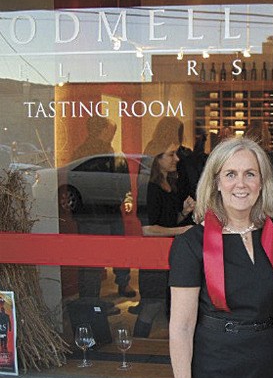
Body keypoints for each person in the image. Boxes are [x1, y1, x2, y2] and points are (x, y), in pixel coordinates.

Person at [168, 138, 273, 378]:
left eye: (250, 174)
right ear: (216, 182)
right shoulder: (191, 244)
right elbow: (182, 328)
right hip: (217, 372)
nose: (240, 184)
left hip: (272, 371)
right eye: (230, 174)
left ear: (262, 182)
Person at [133, 118, 195, 337]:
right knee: (151, 307)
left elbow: (167, 221)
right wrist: (181, 230)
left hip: (168, 256)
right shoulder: (150, 187)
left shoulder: (170, 183)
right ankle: (138, 347)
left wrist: (184, 213)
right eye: (171, 155)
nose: (177, 159)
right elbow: (148, 229)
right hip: (153, 258)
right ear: (157, 159)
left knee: (167, 306)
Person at [71, 116, 134, 316]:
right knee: (94, 257)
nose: (113, 133)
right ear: (102, 130)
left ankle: (95, 298)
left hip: (103, 211)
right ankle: (91, 302)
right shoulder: (92, 152)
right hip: (95, 213)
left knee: (111, 252)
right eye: (110, 130)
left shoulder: (104, 150)